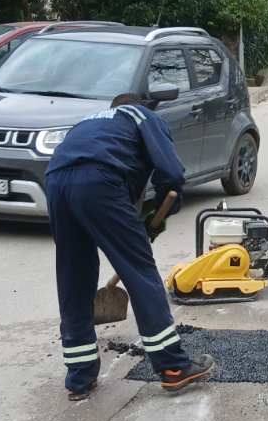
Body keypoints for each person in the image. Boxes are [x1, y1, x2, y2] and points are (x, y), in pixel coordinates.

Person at [44, 94, 214, 400]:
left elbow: (127, 188)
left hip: (56, 182)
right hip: (99, 179)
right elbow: (172, 174)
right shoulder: (142, 116)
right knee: (139, 271)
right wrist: (161, 214)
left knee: (74, 276)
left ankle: (79, 377)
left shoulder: (92, 122)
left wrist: (141, 220)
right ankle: (173, 367)